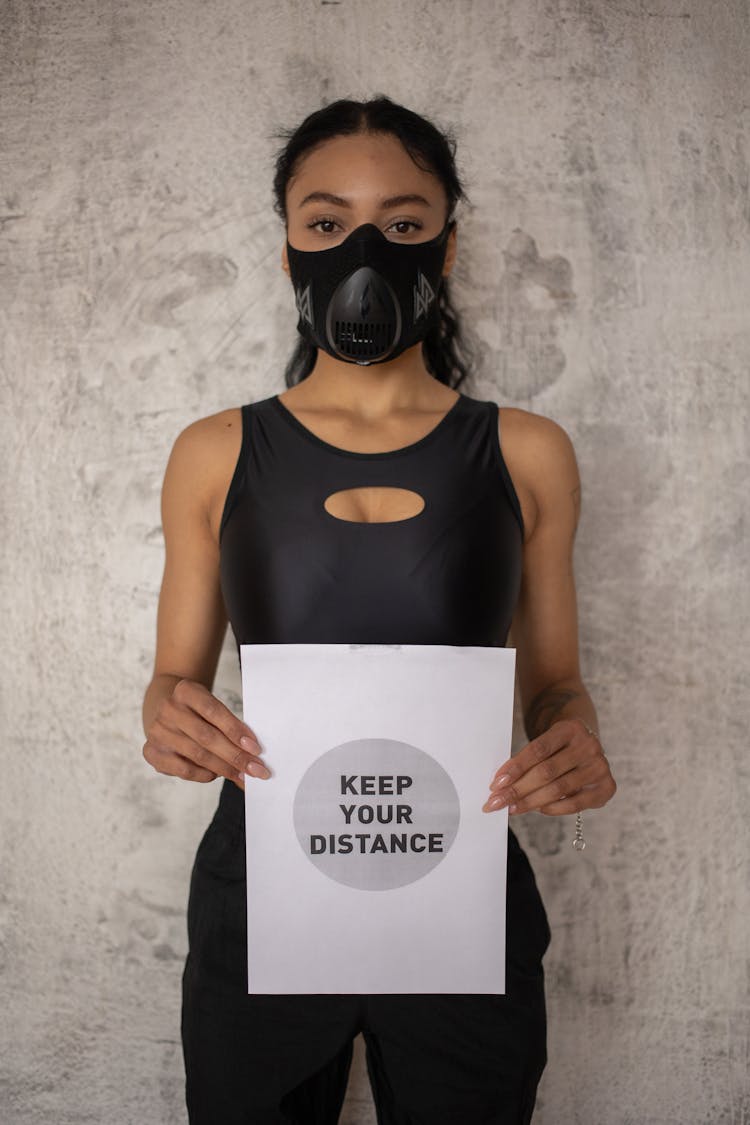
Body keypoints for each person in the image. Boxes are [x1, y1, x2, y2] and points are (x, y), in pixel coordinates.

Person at [142, 95, 616, 1125]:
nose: (365, 249)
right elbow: (172, 681)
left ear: (445, 249)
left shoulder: (527, 452)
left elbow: (557, 686)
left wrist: (570, 735)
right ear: (287, 249)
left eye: (404, 224)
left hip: (460, 891)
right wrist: (169, 717)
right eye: (326, 222)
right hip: (264, 892)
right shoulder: (215, 452)